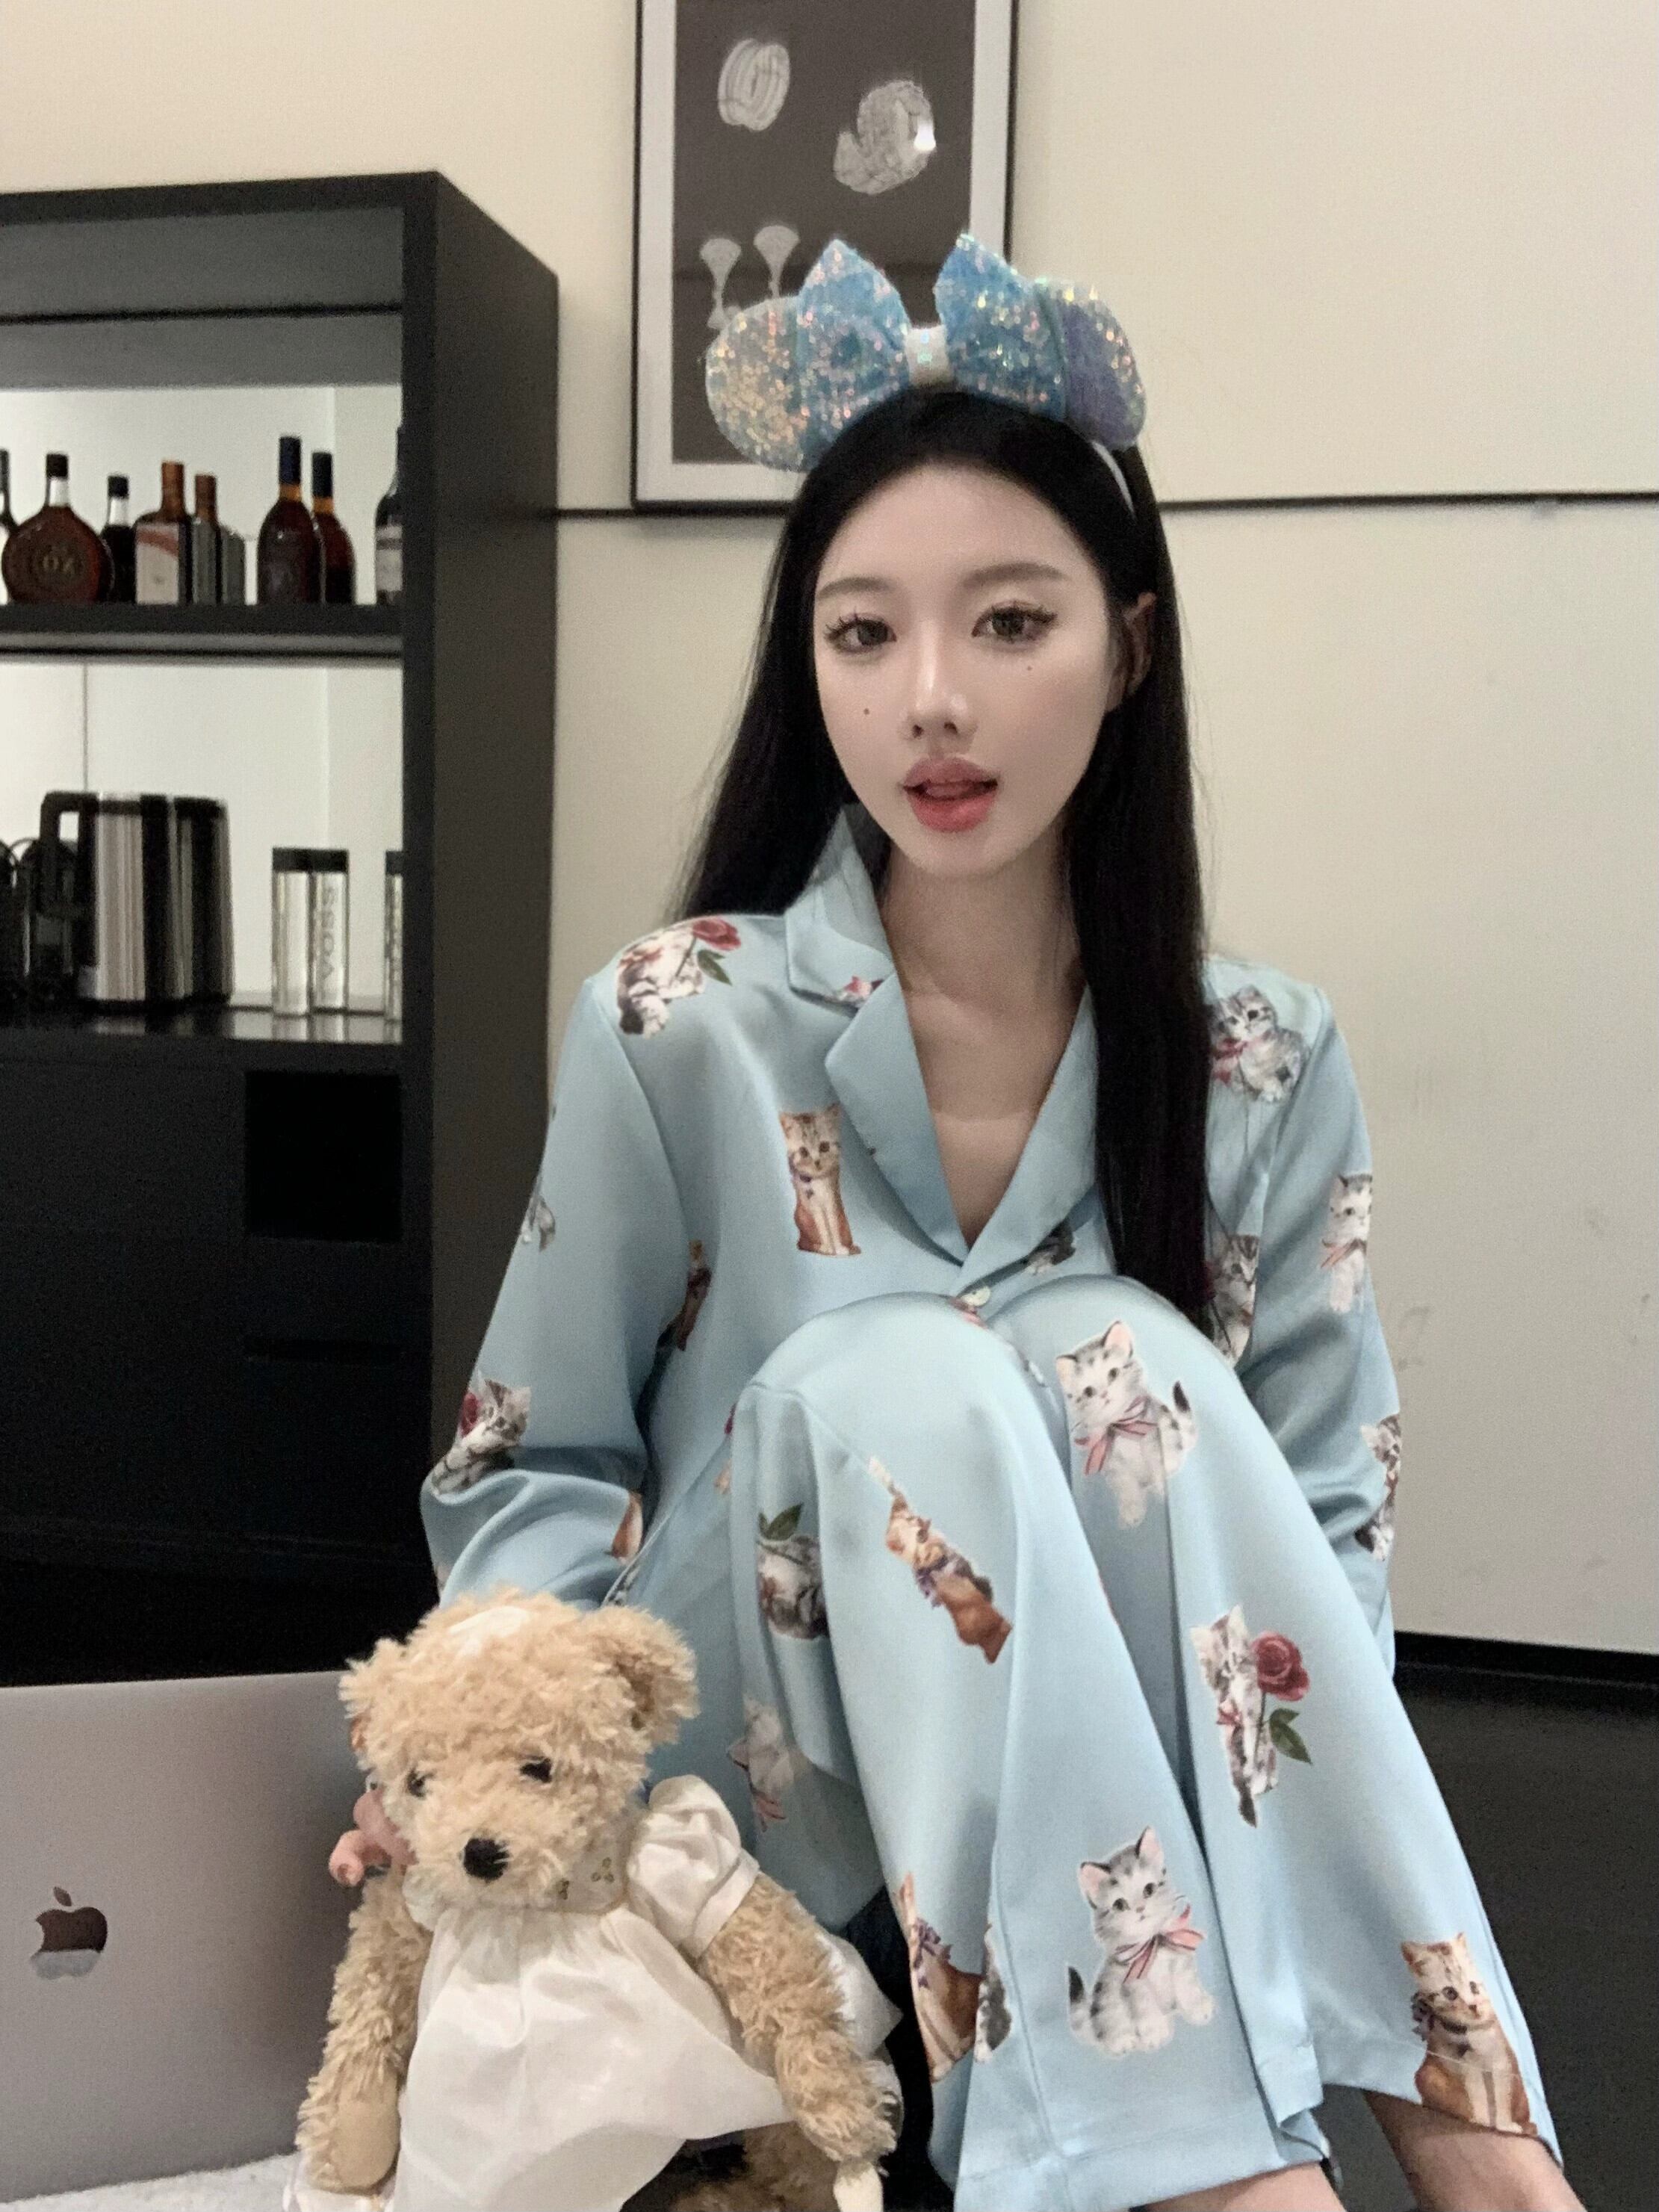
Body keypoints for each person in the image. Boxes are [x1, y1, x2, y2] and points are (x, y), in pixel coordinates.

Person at [332, 238, 1581, 2212]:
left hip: (1103, 1816)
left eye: (1010, 622)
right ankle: (1221, 2183)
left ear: (1130, 646)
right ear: (808, 666)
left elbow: (1317, 1534)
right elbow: (526, 1461)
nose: (932, 699)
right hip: (741, 1776)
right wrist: (492, 1752)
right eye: (862, 634)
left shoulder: (1259, 1058)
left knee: (1120, 1352)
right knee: (911, 1371)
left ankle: (1480, 2149)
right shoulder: (684, 1018)